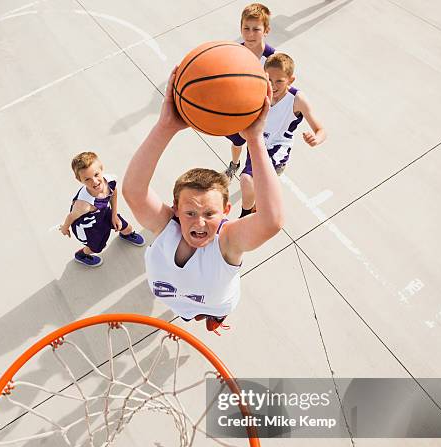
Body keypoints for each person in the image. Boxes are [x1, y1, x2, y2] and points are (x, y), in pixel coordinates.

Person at [122, 69, 283, 334]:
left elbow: (272, 221)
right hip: (178, 302)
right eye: (189, 213)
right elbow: (133, 191)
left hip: (216, 304)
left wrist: (254, 139)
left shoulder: (227, 241)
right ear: (175, 209)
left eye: (210, 213)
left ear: (226, 211)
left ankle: (213, 320)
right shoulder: (167, 227)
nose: (199, 222)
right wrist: (166, 125)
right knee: (187, 315)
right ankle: (195, 315)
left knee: (210, 315)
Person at [239, 52, 327, 217]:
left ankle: (244, 217)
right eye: (269, 80)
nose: (272, 86)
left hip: (277, 150)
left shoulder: (297, 100)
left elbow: (321, 129)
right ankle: (251, 212)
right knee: (250, 185)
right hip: (256, 143)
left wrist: (316, 138)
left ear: (290, 80)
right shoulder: (258, 91)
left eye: (279, 81)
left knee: (247, 180)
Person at [60, 152, 145, 268]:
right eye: (87, 179)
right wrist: (65, 228)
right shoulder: (84, 204)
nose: (94, 182)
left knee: (127, 227)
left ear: (101, 169)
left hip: (104, 213)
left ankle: (126, 235)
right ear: (79, 180)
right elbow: (71, 216)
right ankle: (81, 255)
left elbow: (113, 193)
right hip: (90, 226)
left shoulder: (110, 181)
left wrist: (114, 215)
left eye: (96, 174)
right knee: (97, 247)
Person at [225, 3, 275, 180]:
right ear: (240, 28)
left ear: (266, 30)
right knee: (237, 142)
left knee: (255, 151)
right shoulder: (234, 52)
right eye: (246, 28)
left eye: (256, 29)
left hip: (259, 113)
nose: (250, 34)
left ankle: (254, 179)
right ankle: (234, 163)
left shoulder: (272, 59)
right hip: (237, 110)